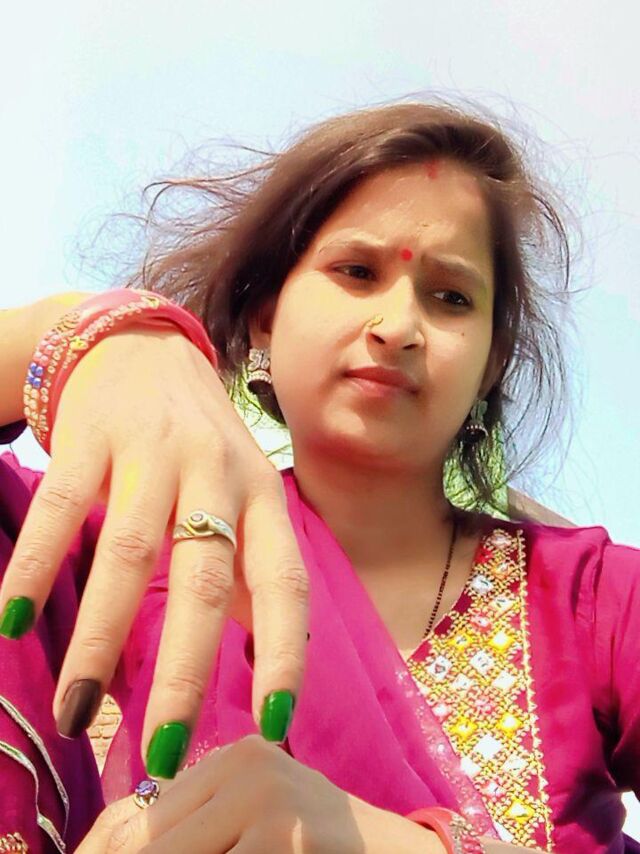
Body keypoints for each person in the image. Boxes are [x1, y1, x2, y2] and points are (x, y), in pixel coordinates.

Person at [0, 100, 638, 852]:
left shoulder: (597, 601)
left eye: (451, 297)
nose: (397, 327)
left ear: (490, 362)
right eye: (357, 271)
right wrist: (88, 333)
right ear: (266, 317)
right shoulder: (148, 545)